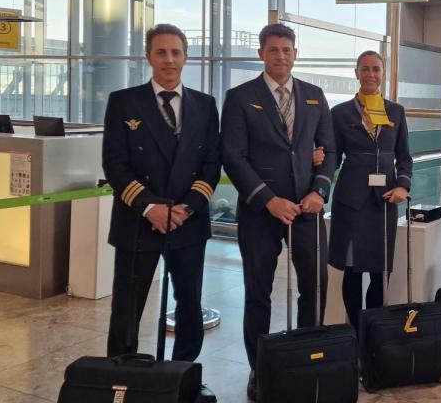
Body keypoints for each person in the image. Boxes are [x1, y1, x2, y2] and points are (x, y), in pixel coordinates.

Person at [220, 23, 336, 401]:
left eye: (287, 50)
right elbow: (233, 157)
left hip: (307, 209)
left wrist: (320, 190)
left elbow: (329, 150)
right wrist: (268, 199)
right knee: (258, 292)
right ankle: (260, 369)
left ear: (295, 54)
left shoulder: (315, 96)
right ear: (261, 54)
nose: (280, 56)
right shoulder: (240, 97)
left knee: (314, 287)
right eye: (273, 50)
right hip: (260, 212)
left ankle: (307, 360)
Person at [103, 23, 221, 364]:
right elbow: (115, 164)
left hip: (187, 222)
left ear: (185, 57)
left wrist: (187, 208)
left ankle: (182, 375)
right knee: (127, 308)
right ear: (148, 56)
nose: (169, 59)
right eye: (161, 52)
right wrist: (149, 207)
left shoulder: (205, 105)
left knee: (189, 305)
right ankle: (122, 377)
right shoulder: (123, 102)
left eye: (175, 52)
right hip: (137, 222)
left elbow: (212, 163)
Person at [328, 51, 413, 331]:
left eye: (376, 69)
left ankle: (372, 332)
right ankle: (355, 331)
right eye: (365, 69)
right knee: (352, 271)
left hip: (384, 202)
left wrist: (402, 185)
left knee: (379, 272)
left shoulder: (396, 111)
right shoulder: (340, 113)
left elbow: (405, 157)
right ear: (356, 73)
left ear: (383, 73)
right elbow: (332, 157)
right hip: (351, 201)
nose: (371, 75)